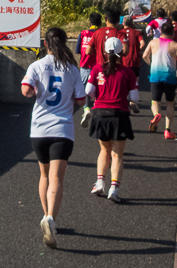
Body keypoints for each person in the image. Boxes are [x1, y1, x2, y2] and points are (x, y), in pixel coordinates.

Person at [22, 27, 86, 249]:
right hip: (62, 129)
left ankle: (44, 214)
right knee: (57, 177)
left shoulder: (36, 66)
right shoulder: (72, 69)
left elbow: (25, 90)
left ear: (45, 44)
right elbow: (80, 100)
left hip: (39, 129)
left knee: (44, 175)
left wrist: (35, 91)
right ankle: (50, 218)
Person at [86, 36, 139, 203]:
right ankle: (114, 188)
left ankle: (100, 181)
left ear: (103, 51)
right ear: (122, 53)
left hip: (100, 113)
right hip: (119, 114)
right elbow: (134, 98)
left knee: (104, 150)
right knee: (117, 154)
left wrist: (99, 97)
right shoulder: (128, 72)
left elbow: (88, 91)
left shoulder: (96, 69)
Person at [142, 20, 177, 140]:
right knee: (170, 103)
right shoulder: (176, 45)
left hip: (155, 76)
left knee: (155, 101)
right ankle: (167, 130)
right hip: (170, 77)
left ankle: (156, 114)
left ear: (161, 32)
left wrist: (152, 65)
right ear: (173, 33)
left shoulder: (153, 42)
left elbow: (144, 55)